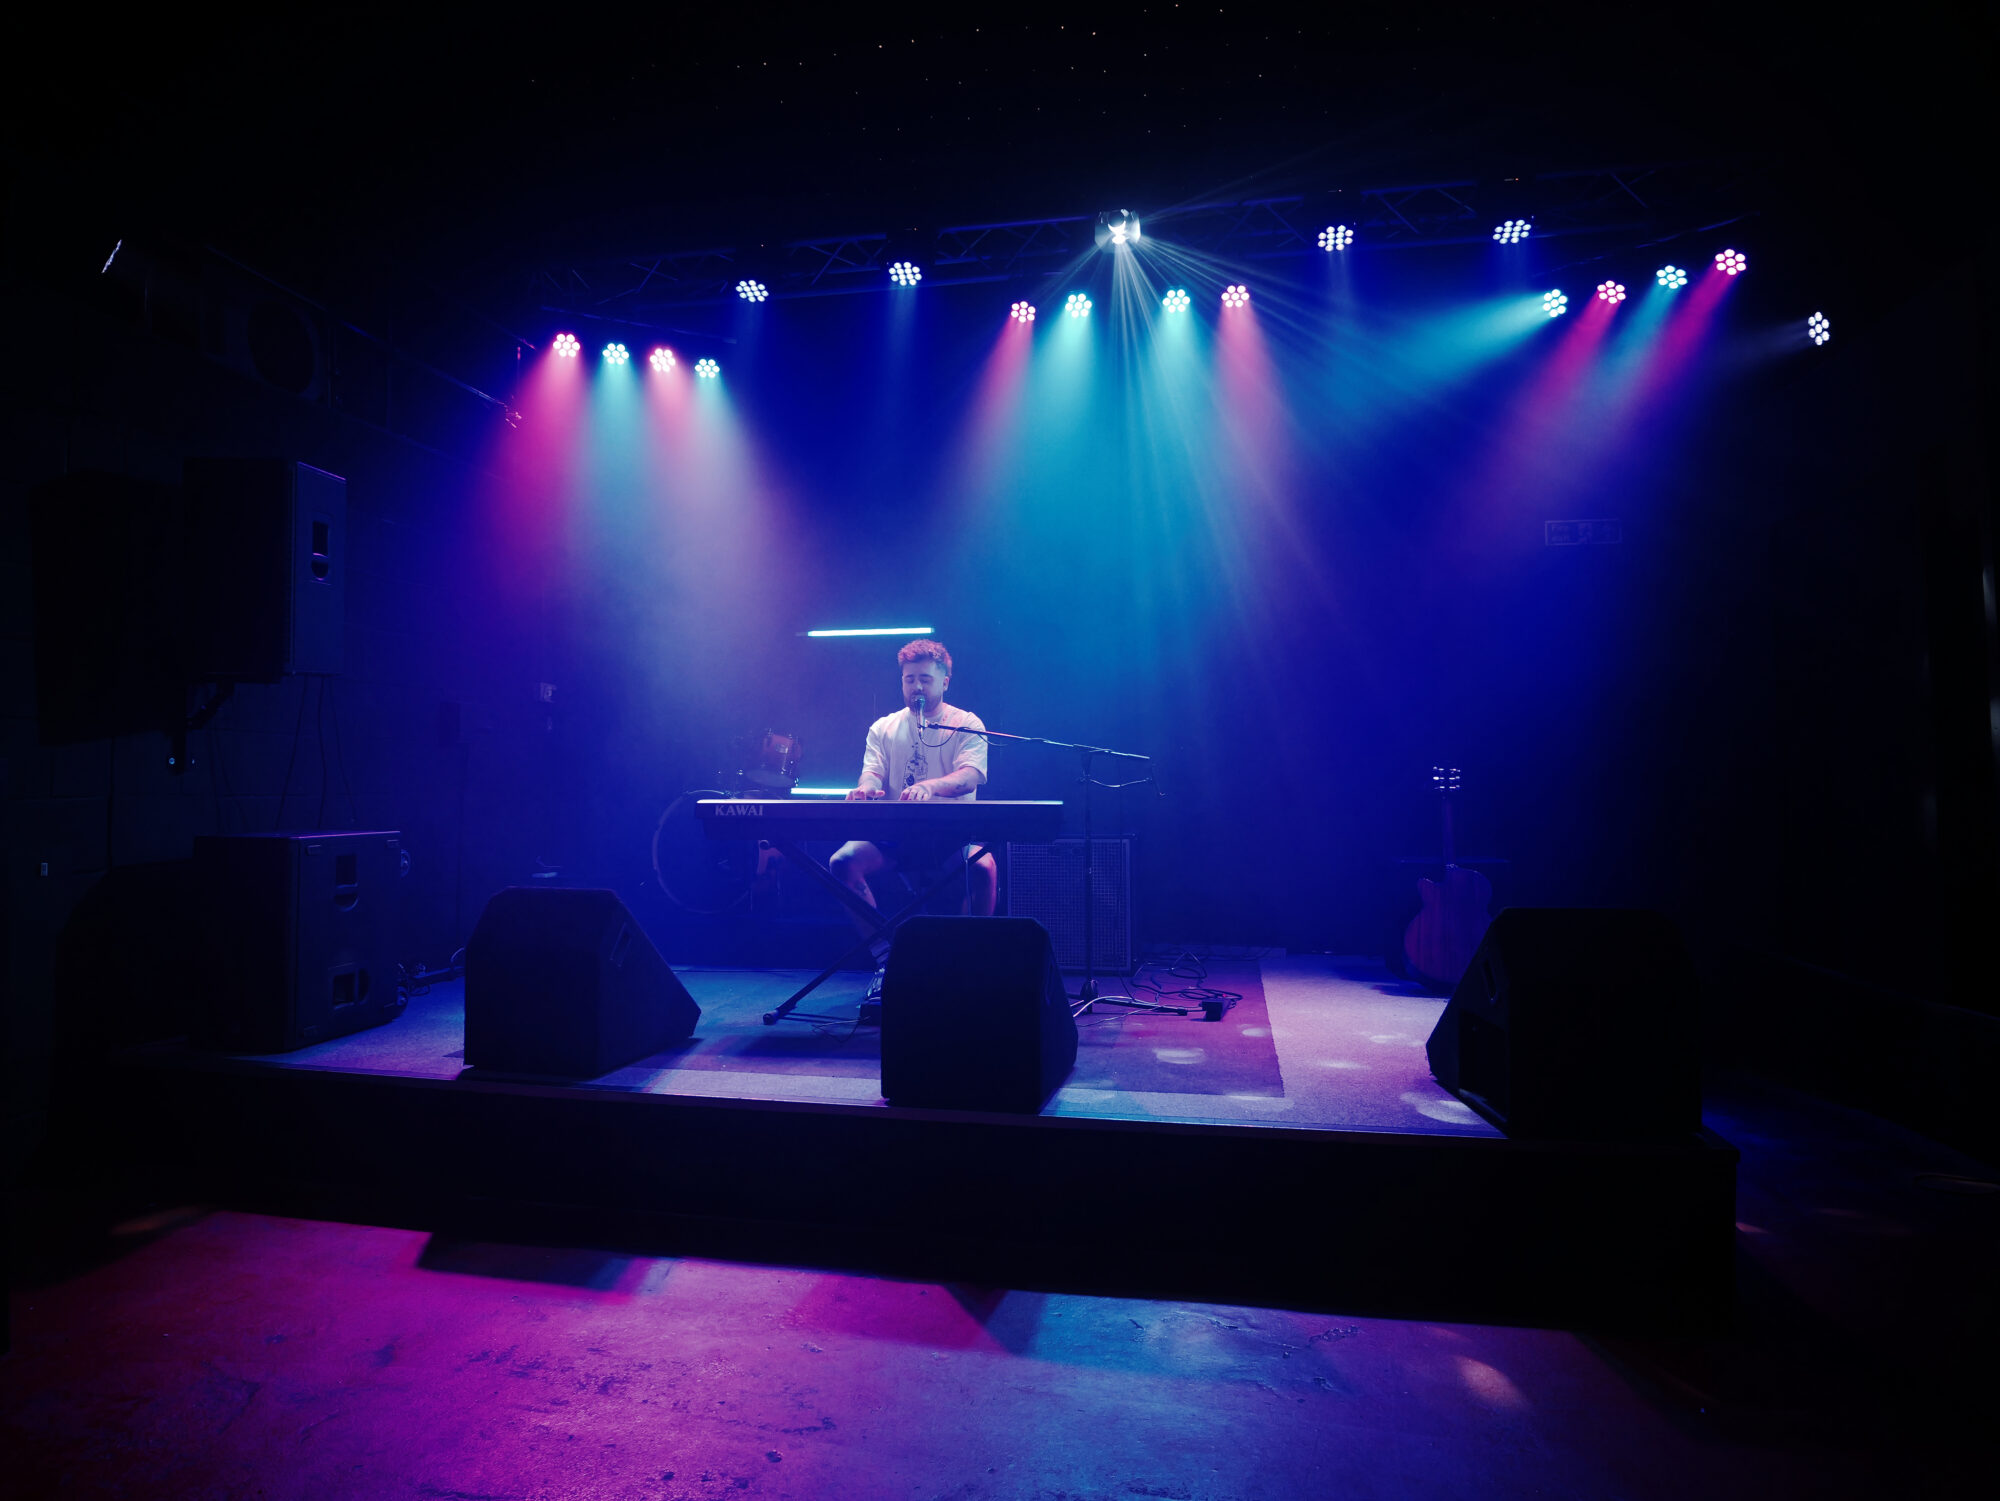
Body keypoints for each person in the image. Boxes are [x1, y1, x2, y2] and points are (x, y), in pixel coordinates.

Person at [831, 638, 997, 922]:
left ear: (945, 682)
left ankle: (971, 953)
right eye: (909, 679)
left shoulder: (967, 723)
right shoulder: (883, 727)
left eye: (925, 679)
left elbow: (969, 777)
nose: (917, 687)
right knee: (842, 861)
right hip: (897, 837)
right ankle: (883, 953)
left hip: (951, 838)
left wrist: (928, 786)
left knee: (984, 867)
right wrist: (866, 789)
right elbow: (872, 772)